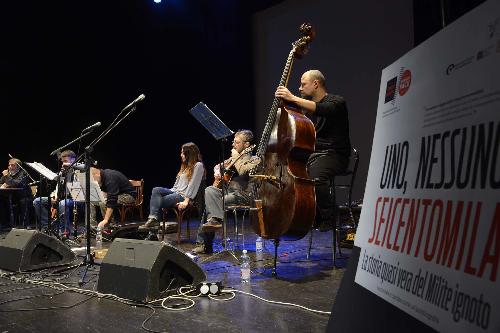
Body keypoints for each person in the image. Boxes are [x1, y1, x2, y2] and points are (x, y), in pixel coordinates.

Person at [275, 69, 351, 231]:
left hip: (335, 155)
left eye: (303, 84)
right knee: (293, 176)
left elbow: (324, 109)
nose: (300, 88)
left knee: (315, 176)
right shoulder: (306, 110)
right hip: (315, 156)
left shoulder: (337, 101)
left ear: (316, 84)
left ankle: (330, 216)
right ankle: (307, 215)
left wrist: (292, 97)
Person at [193, 130, 261, 254]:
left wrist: (235, 155)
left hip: (243, 195)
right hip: (228, 194)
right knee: (210, 190)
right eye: (233, 142)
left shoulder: (255, 160)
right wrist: (217, 171)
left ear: (246, 145)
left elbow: (242, 170)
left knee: (211, 205)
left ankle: (204, 243)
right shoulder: (233, 158)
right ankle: (215, 220)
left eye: (237, 142)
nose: (233, 145)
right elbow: (218, 166)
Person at [139, 142, 205, 231]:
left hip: (183, 196)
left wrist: (186, 201)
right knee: (156, 190)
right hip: (175, 192)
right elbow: (176, 186)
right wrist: (162, 194)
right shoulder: (184, 167)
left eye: (183, 153)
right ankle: (153, 220)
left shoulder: (198, 165)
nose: (181, 155)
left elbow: (193, 184)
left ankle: (154, 226)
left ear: (189, 154)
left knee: (156, 202)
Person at [33, 150, 83, 234]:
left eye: (66, 161)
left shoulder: (80, 169)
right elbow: (58, 186)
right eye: (62, 161)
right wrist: (55, 195)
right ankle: (48, 226)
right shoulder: (63, 172)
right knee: (37, 201)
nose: (63, 163)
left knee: (63, 203)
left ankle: (65, 231)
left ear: (73, 160)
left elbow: (85, 166)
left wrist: (71, 165)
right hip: (62, 198)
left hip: (76, 199)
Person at [90, 166, 136, 230]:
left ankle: (110, 225)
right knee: (91, 200)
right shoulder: (101, 177)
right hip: (117, 194)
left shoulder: (110, 177)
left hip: (128, 196)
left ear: (97, 175)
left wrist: (106, 219)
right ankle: (92, 227)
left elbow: (112, 200)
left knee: (104, 202)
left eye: (92, 179)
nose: (92, 181)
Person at [0, 158, 33, 230]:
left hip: (23, 195)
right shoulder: (8, 173)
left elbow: (15, 184)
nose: (10, 167)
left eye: (12, 165)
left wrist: (6, 177)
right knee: (2, 200)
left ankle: (25, 225)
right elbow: (1, 183)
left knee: (23, 201)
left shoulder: (23, 173)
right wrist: (3, 185)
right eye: (9, 165)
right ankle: (5, 224)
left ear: (18, 167)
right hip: (11, 196)